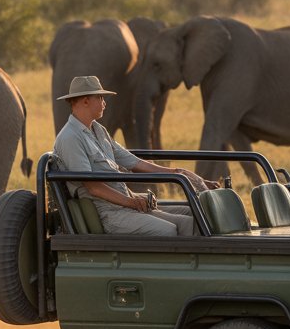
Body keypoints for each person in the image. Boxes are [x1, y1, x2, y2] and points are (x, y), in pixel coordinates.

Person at [53, 75, 217, 235]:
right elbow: (93, 186)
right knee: (169, 230)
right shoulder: (70, 138)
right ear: (85, 101)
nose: (104, 103)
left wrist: (177, 173)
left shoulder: (98, 130)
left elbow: (134, 162)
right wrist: (131, 202)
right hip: (107, 212)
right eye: (100, 97)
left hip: (123, 203)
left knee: (187, 220)